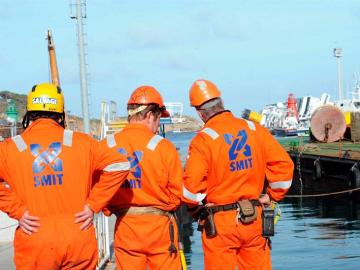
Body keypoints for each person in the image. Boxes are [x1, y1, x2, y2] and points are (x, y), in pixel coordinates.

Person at [0, 83, 130, 269]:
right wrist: (93, 205)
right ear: (60, 112)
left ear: (29, 112)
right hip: (78, 233)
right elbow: (121, 164)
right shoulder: (82, 143)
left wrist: (17, 211)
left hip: (34, 235)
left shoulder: (10, 148)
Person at [183, 79, 294, 270]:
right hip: (254, 217)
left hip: (219, 224)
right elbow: (284, 167)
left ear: (200, 113)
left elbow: (191, 190)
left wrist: (196, 209)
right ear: (222, 102)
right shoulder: (254, 129)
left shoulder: (203, 140)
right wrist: (272, 196)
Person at [103, 85, 183, 270]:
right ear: (149, 115)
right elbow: (177, 195)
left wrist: (113, 209)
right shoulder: (164, 147)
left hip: (126, 227)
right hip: (160, 230)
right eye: (158, 120)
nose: (157, 127)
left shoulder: (107, 146)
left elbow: (99, 190)